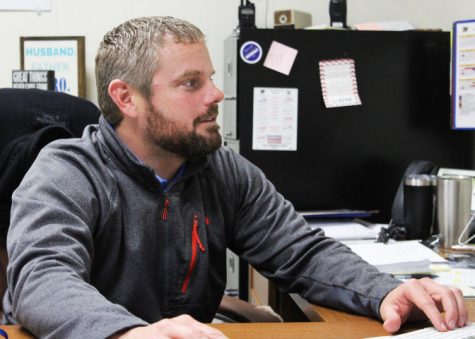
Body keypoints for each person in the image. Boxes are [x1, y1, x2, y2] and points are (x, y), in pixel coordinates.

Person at [3, 16, 467, 339]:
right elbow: (42, 279)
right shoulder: (66, 170)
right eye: (191, 83)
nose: (217, 94)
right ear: (126, 97)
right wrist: (126, 332)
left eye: (210, 78)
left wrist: (387, 290)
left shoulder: (222, 170)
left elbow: (301, 252)